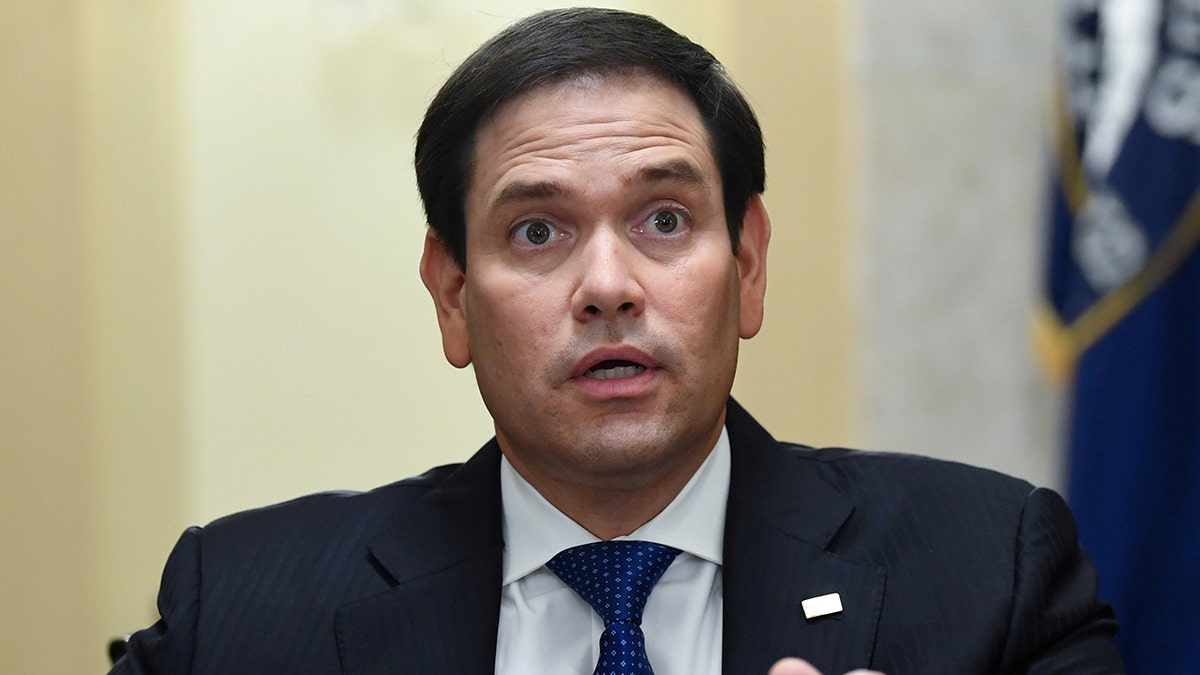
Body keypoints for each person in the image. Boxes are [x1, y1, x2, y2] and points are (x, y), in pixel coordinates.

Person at [109, 8, 1123, 674]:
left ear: (750, 266)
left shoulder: (994, 575)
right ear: (454, 294)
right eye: (537, 231)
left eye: (666, 221)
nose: (606, 287)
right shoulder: (238, 615)